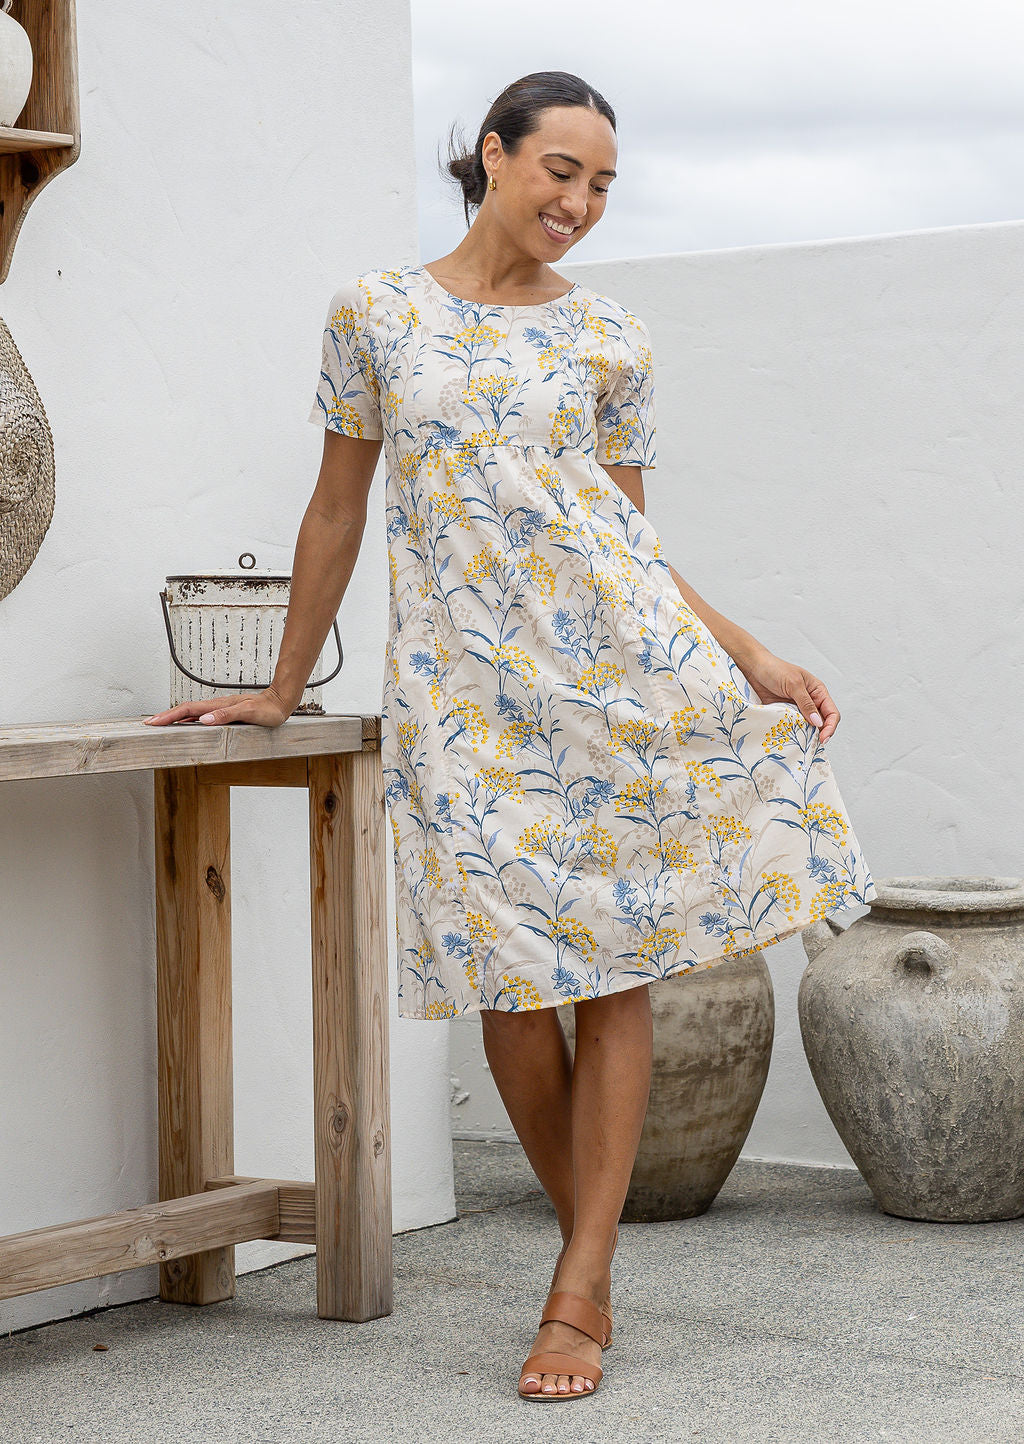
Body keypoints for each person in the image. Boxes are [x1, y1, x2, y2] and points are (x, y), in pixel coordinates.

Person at [145, 70, 877, 1402]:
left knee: (613, 974)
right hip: (465, 705)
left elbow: (628, 542)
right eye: (560, 171)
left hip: (614, 686)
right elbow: (335, 510)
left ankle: (579, 1285)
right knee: (508, 988)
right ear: (491, 155)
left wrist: (749, 654)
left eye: (603, 185)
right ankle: (586, 1247)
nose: (580, 204)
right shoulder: (377, 315)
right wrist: (279, 685)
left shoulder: (611, 341)